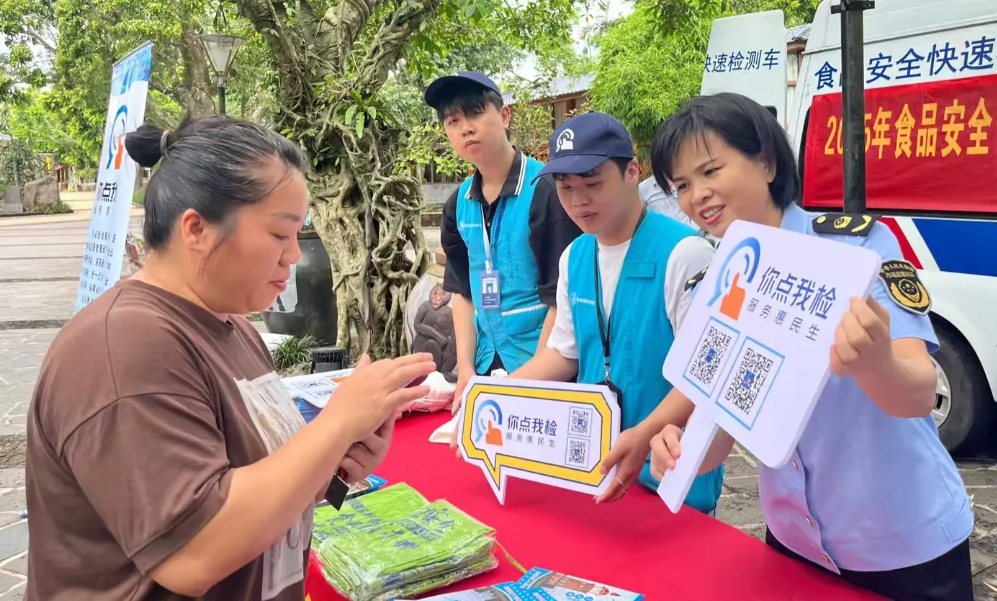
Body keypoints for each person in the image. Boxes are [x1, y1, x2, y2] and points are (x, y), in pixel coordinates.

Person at [25, 116, 435, 601]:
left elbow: (253, 478)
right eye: (280, 234)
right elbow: (194, 552)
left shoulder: (232, 325)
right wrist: (336, 424)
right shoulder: (122, 346)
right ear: (196, 228)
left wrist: (336, 465)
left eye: (298, 235)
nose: (294, 256)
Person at [646, 94, 974, 601]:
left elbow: (918, 394)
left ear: (766, 162)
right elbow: (722, 427)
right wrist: (678, 451)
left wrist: (876, 363)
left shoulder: (859, 249)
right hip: (793, 544)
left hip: (902, 548)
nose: (698, 196)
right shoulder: (721, 281)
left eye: (711, 170)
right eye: (682, 185)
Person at [507, 112, 723, 514]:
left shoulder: (686, 254)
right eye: (565, 187)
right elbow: (563, 353)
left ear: (632, 171)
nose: (578, 201)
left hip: (668, 474)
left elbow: (707, 374)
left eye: (592, 184)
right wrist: (492, 396)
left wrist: (645, 434)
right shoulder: (575, 256)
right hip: (596, 468)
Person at [426, 71, 581, 413]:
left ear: (505, 116)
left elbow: (562, 297)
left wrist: (529, 381)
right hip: (486, 368)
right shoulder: (458, 204)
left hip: (546, 372)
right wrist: (467, 371)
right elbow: (463, 292)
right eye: (453, 121)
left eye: (476, 113)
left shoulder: (546, 191)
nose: (466, 128)